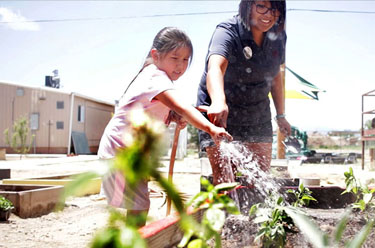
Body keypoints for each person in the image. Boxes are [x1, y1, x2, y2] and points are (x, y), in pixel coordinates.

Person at [98, 27, 232, 226]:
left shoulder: (157, 78)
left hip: (130, 152)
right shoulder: (155, 78)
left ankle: (134, 239)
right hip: (120, 150)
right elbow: (183, 107)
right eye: (175, 58)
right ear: (156, 55)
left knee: (138, 204)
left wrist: (174, 116)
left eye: (186, 60)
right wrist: (210, 128)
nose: (180, 65)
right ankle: (135, 241)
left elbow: (164, 109)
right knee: (139, 205)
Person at [196, 0, 291, 185]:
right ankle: (224, 211)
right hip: (221, 113)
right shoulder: (227, 31)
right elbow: (215, 67)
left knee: (260, 181)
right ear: (247, 5)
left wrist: (281, 115)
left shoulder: (278, 37)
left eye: (275, 9)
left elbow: (276, 76)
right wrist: (218, 101)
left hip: (257, 111)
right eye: (261, 6)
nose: (268, 15)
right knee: (225, 181)